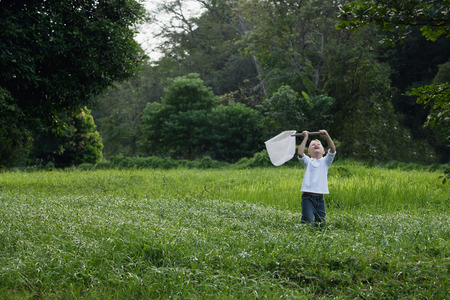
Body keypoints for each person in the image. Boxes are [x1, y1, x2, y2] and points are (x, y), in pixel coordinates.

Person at [297, 130, 336, 226]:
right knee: (307, 222)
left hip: (320, 199)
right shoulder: (308, 161)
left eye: (318, 144)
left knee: (321, 224)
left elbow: (333, 150)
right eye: (313, 145)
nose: (316, 145)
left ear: (323, 151)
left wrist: (327, 136)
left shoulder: (325, 161)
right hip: (307, 198)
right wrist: (305, 137)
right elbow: (300, 153)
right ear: (309, 152)